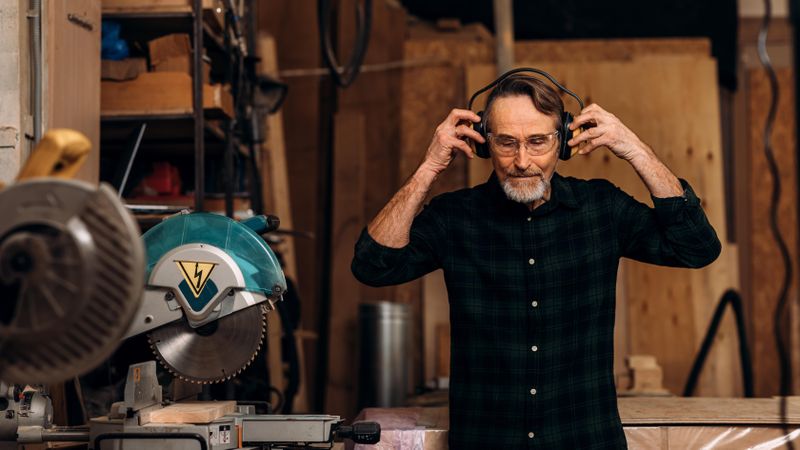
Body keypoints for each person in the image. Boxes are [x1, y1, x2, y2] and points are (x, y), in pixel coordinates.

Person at [350, 74, 721, 449]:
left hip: (585, 441)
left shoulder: (602, 208)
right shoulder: (455, 217)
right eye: (506, 143)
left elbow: (698, 248)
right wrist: (429, 166)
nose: (522, 161)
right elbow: (373, 265)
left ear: (562, 142)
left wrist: (635, 149)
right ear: (483, 143)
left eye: (538, 142)